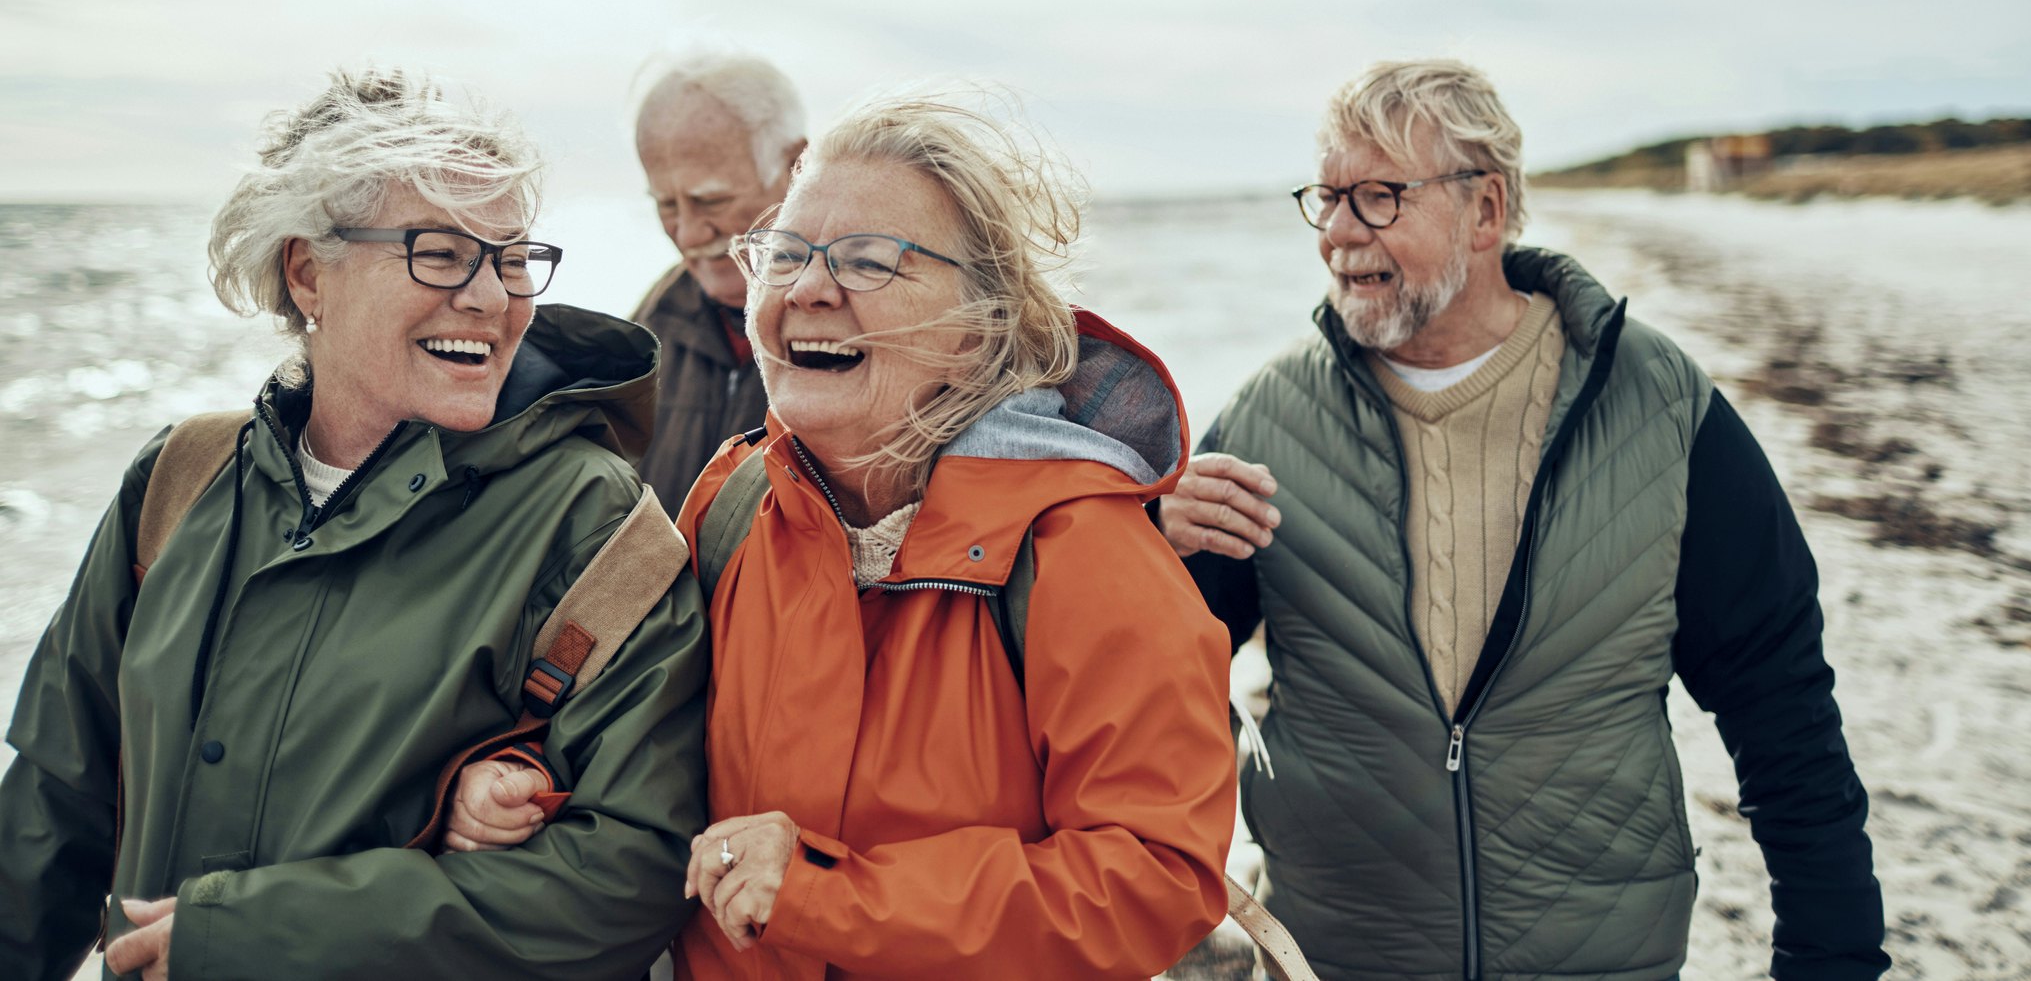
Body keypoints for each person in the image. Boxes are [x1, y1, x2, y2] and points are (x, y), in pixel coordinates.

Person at [454, 95, 1240, 980]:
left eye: (869, 262)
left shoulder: (1084, 551)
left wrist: (827, 894)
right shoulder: (729, 500)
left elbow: (1155, 880)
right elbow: (619, 742)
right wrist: (512, 786)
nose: (806, 289)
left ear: (980, 325)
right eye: (784, 255)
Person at [1159, 60, 1890, 981]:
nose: (1338, 233)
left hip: (1600, 959)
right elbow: (1142, 693)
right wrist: (1151, 551)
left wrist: (1831, 959)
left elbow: (1781, 709)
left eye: (1378, 197)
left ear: (1485, 211)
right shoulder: (1268, 420)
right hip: (1335, 959)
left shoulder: (1655, 404)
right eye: (1326, 197)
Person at [0, 70, 708, 980]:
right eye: (441, 253)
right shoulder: (180, 480)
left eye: (511, 255)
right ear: (308, 273)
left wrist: (254, 939)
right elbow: (54, 808)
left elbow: (629, 876)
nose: (493, 299)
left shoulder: (594, 525)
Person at [631, 54, 807, 512]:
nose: (688, 234)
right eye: (667, 205)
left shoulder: (863, 325)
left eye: (710, 200)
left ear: (798, 168)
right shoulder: (647, 330)